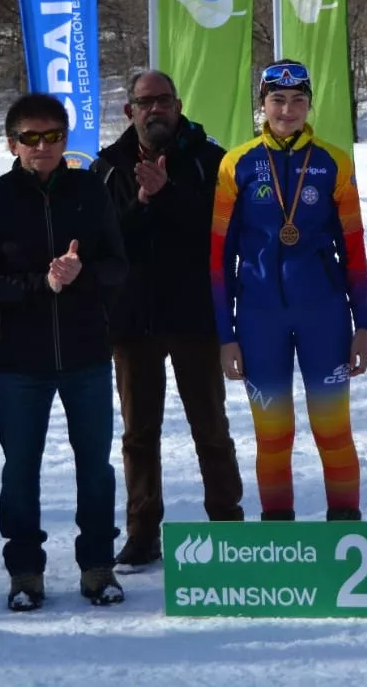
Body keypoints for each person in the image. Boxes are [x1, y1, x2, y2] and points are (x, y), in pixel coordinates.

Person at [0, 92, 129, 611]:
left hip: (85, 354)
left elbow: (116, 266)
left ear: (66, 139)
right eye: (31, 138)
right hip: (22, 361)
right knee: (20, 469)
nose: (43, 147)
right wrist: (42, 282)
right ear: (12, 143)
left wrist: (81, 275)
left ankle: (97, 565)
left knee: (95, 467)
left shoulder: (89, 190)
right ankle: (24, 572)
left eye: (53, 136)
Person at [211, 59, 367, 522]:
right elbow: (218, 260)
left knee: (333, 429)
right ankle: (279, 538)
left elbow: (355, 252)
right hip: (260, 319)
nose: (288, 110)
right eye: (277, 100)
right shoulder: (236, 164)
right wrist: (226, 335)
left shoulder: (333, 162)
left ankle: (345, 529)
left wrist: (363, 325)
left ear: (309, 105)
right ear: (262, 104)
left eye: (298, 100)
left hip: (324, 315)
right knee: (272, 436)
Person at [95, 70, 243, 572]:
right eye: (144, 102)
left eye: (163, 101)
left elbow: (225, 231)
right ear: (128, 111)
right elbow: (104, 238)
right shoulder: (109, 167)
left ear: (179, 105)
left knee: (211, 428)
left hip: (195, 315)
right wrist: (140, 200)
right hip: (133, 321)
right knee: (139, 434)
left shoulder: (209, 160)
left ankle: (227, 524)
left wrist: (169, 193)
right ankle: (141, 533)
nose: (155, 109)